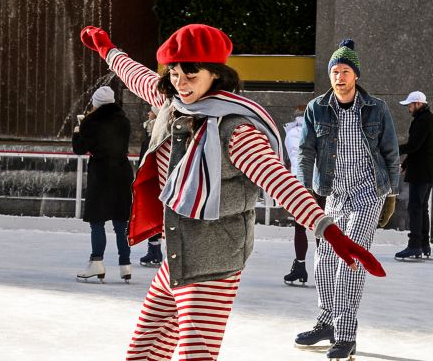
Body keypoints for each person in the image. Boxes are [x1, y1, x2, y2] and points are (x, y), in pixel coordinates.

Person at [80, 24, 385, 361]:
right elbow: (137, 77)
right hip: (179, 254)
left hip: (214, 261)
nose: (181, 83)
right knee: (143, 351)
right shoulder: (175, 105)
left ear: (215, 75)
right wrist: (107, 49)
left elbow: (279, 181)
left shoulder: (235, 130)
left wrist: (329, 231)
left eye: (191, 75)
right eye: (176, 73)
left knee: (194, 356)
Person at [295, 39, 399, 359]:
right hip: (334, 196)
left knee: (349, 261)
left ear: (356, 75)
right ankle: (327, 321)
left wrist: (391, 193)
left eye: (345, 71)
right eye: (334, 72)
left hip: (368, 194)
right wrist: (302, 191)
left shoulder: (377, 108)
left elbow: (391, 153)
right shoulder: (317, 108)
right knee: (324, 260)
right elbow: (305, 151)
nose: (339, 77)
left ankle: (346, 334)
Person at [73, 86, 134, 282]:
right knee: (121, 223)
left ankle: (96, 262)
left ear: (96, 102)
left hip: (101, 173)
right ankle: (125, 265)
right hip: (122, 171)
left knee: (97, 221)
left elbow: (79, 149)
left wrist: (77, 131)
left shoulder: (92, 121)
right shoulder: (124, 121)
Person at [282, 105, 323, 285]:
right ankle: (325, 269)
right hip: (320, 182)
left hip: (301, 183)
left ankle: (300, 267)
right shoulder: (320, 129)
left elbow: (295, 157)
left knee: (301, 227)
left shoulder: (293, 133)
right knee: (320, 226)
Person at [395, 91, 433, 259]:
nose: (408, 109)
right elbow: (420, 148)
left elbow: (414, 145)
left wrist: (394, 150)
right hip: (426, 171)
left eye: (410, 106)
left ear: (418, 104)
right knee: (422, 208)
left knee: (415, 208)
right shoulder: (427, 119)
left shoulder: (423, 121)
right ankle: (424, 244)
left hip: (421, 172)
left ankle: (414, 246)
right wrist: (405, 163)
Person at [138, 105, 164, 267]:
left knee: (154, 214)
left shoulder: (156, 133)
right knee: (154, 215)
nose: (148, 113)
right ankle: (154, 250)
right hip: (153, 178)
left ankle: (155, 252)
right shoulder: (151, 131)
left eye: (151, 111)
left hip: (154, 179)